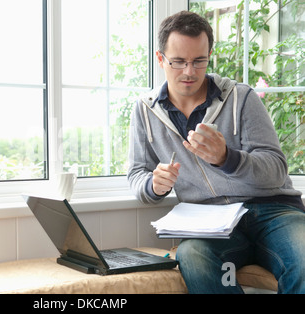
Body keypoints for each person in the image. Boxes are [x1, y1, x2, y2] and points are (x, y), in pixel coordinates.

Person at [127, 10, 305, 294]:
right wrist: (154, 185)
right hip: (210, 223)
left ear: (210, 55)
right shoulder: (145, 110)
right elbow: (137, 173)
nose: (189, 71)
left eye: (199, 61)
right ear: (161, 59)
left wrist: (227, 159)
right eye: (178, 62)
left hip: (274, 212)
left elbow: (276, 170)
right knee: (193, 256)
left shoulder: (241, 98)